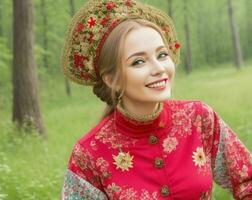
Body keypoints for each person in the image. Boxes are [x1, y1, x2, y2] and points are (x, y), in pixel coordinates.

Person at [60, 0, 252, 199]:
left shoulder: (198, 118)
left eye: (162, 55)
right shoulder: (90, 153)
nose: (159, 69)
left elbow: (247, 181)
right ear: (111, 80)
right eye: (139, 61)